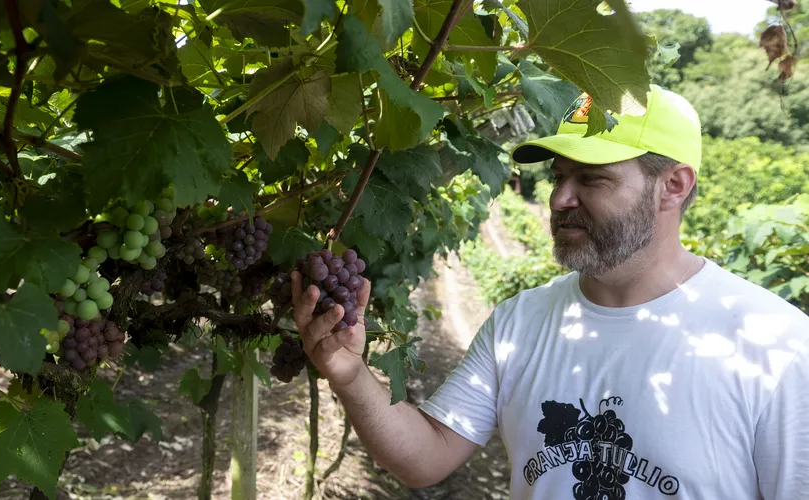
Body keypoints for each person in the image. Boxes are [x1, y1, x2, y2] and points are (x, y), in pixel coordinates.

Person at [289, 85, 809, 499]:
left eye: (593, 179)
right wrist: (351, 375)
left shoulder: (777, 347)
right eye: (560, 176)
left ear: (673, 185)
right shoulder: (521, 321)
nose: (560, 198)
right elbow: (425, 458)